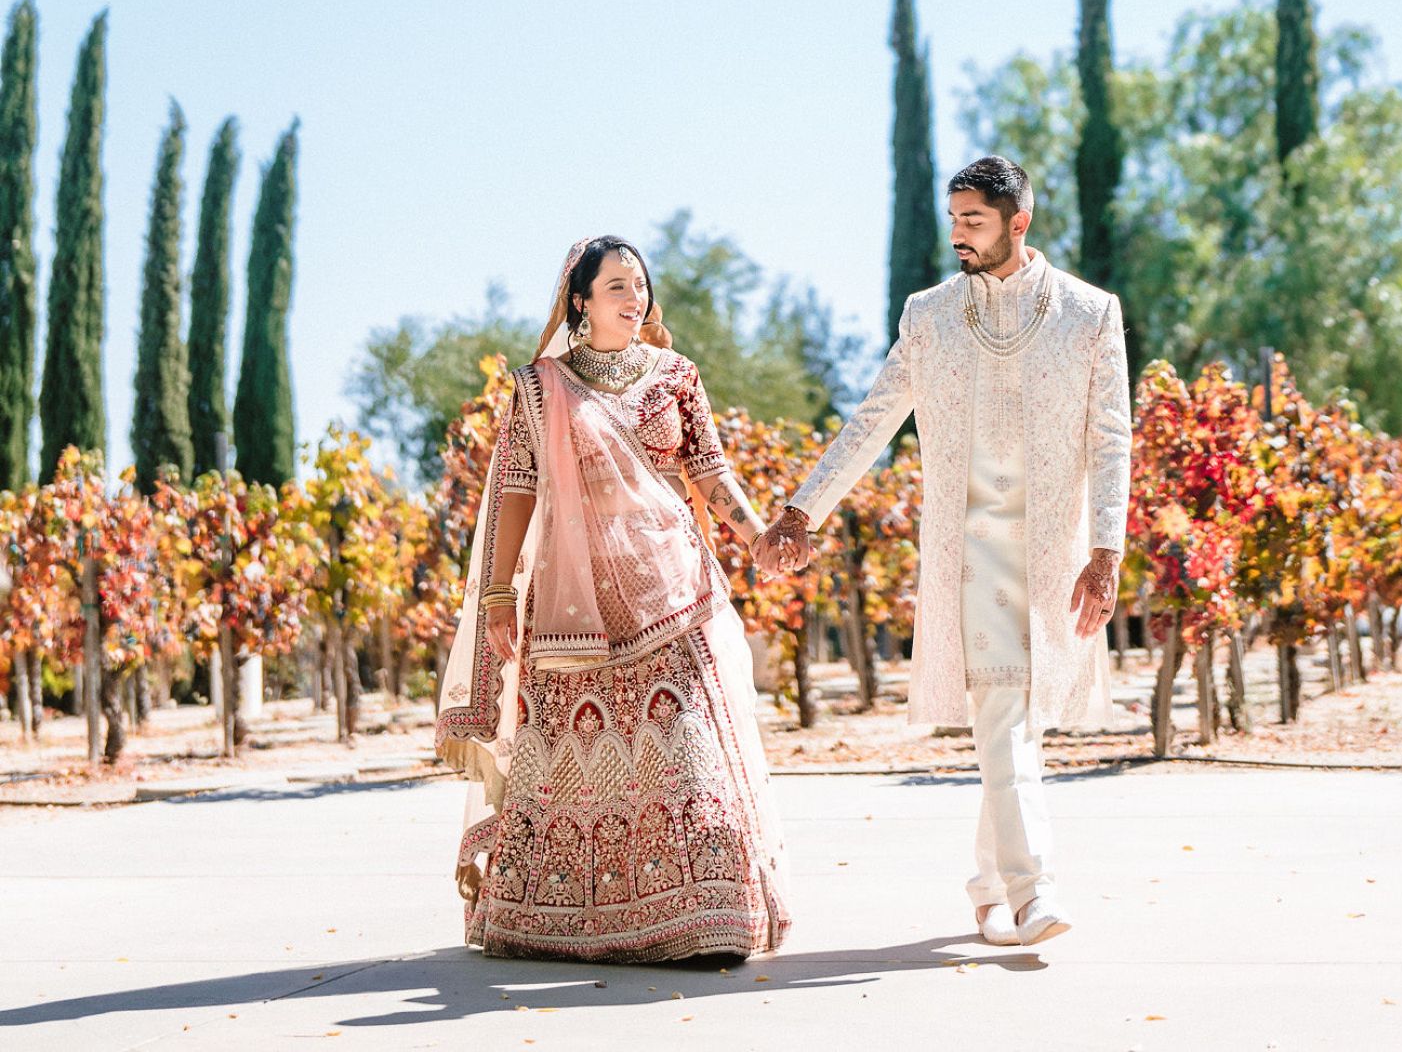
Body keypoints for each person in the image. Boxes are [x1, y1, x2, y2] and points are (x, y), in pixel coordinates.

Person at [754, 155, 1130, 947]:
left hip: (1054, 553)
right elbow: (873, 418)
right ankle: (1034, 891)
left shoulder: (1090, 315)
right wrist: (801, 508)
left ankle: (989, 892)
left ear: (1018, 223)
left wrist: (1106, 551)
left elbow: (1112, 441)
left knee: (1015, 722)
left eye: (974, 221)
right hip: (968, 557)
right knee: (1001, 710)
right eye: (952, 218)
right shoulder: (928, 315)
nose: (956, 233)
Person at [436, 234, 790, 965]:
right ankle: (558, 923)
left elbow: (711, 472)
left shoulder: (677, 376)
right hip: (576, 608)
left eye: (640, 285)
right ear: (582, 301)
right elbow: (516, 493)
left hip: (674, 595)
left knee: (692, 752)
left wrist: (757, 535)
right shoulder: (540, 387)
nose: (636, 300)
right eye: (619, 287)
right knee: (574, 765)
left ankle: (708, 920)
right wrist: (501, 595)